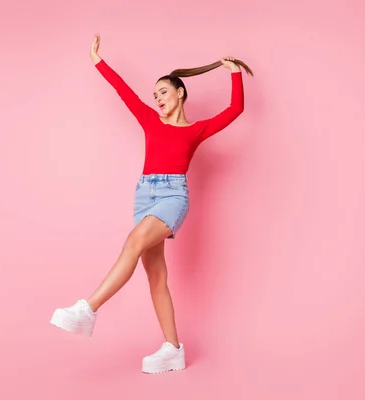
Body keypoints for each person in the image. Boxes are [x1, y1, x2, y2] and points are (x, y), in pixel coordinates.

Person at [50, 33, 252, 374]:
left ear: (180, 92)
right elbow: (123, 90)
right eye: (155, 94)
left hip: (173, 196)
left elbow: (236, 109)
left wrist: (233, 72)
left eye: (163, 91)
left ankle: (88, 310)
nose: (157, 98)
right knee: (156, 277)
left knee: (132, 241)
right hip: (144, 195)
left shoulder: (196, 130)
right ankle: (173, 349)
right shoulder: (148, 119)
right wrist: (98, 60)